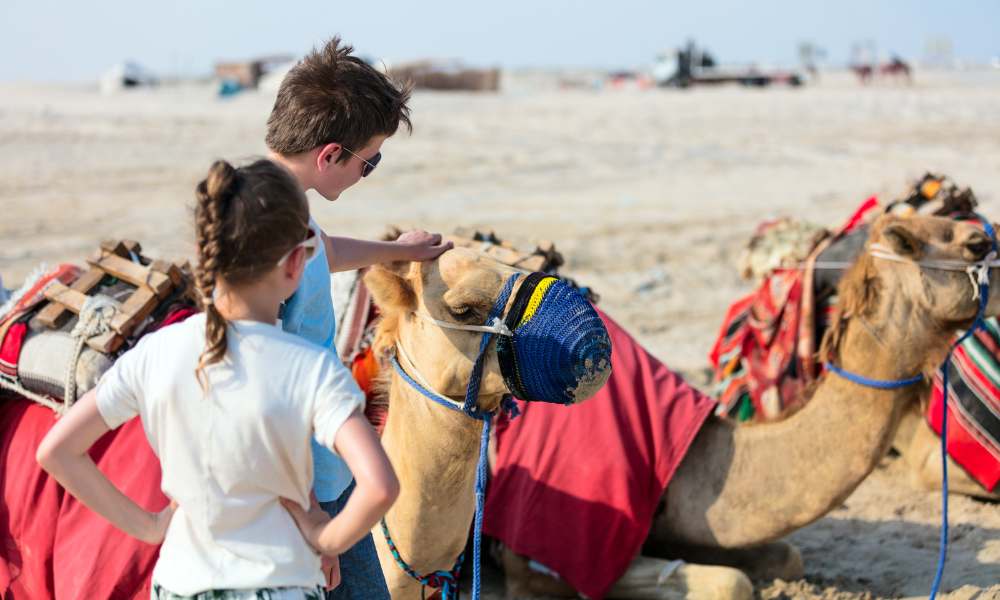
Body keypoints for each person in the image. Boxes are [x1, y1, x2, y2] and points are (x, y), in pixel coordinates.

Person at [36, 159, 399, 600]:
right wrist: (326, 537)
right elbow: (380, 487)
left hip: (178, 585)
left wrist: (149, 527)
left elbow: (56, 451)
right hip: (282, 584)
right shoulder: (310, 368)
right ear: (294, 263)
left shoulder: (155, 352)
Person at [265, 37, 452, 599]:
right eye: (369, 162)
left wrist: (395, 251)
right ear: (329, 156)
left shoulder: (274, 201)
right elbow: (264, 376)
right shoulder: (273, 227)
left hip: (322, 470)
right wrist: (309, 517)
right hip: (310, 481)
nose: (366, 172)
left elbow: (322, 252)